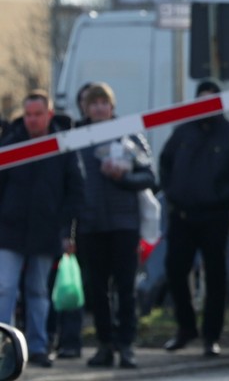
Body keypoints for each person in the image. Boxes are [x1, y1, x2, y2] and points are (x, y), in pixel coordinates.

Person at [159, 79, 229, 358]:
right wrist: (171, 192)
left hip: (215, 217)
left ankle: (211, 337)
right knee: (175, 271)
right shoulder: (182, 132)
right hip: (182, 216)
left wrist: (225, 195)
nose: (206, 106)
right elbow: (165, 163)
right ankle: (186, 328)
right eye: (201, 99)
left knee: (215, 276)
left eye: (211, 100)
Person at [0, 90, 85, 368]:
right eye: (28, 115)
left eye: (38, 114)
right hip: (10, 232)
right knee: (5, 288)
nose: (32, 120)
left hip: (46, 232)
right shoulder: (10, 143)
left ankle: (37, 346)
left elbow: (75, 191)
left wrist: (66, 231)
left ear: (49, 114)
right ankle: (4, 347)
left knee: (38, 292)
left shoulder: (63, 147)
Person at [74, 83, 155, 369]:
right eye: (93, 103)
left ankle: (127, 345)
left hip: (123, 223)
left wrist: (123, 178)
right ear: (85, 107)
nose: (99, 108)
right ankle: (104, 344)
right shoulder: (76, 138)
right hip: (90, 224)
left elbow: (149, 177)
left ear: (112, 106)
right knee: (97, 290)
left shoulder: (129, 133)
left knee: (125, 287)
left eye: (104, 103)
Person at [47, 81, 93, 361]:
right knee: (55, 288)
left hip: (84, 227)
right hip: (56, 229)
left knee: (73, 287)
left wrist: (71, 233)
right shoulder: (63, 139)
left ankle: (71, 341)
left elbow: (75, 193)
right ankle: (53, 339)